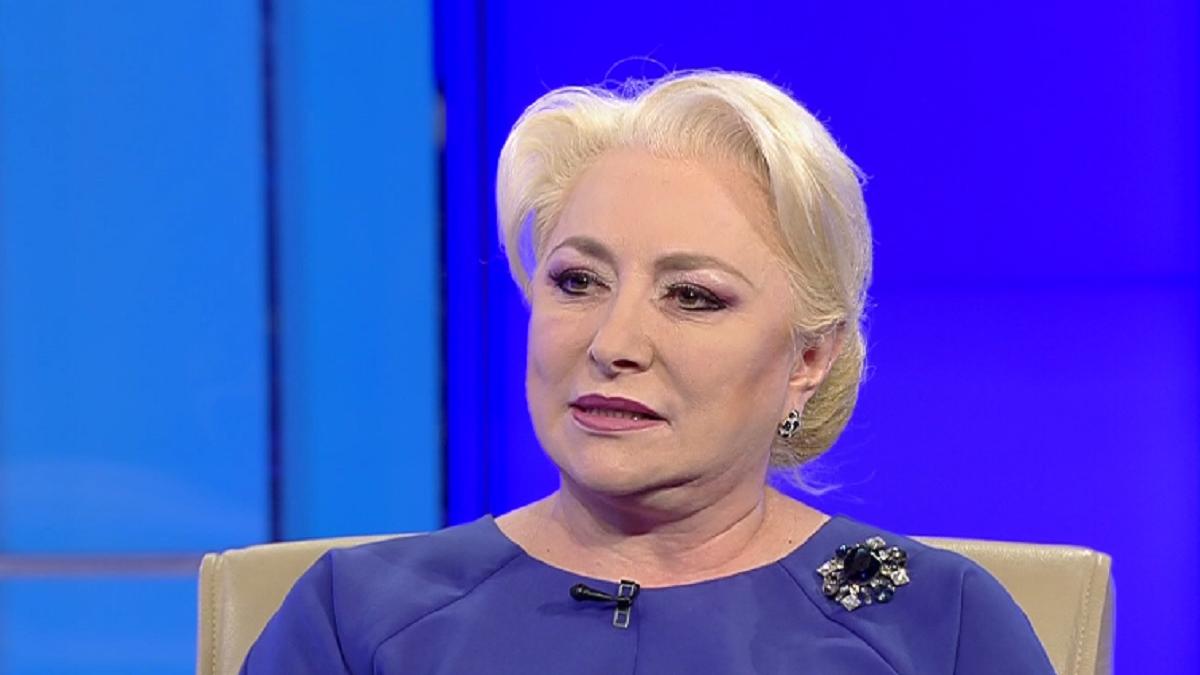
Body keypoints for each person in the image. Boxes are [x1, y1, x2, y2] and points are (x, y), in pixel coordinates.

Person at [240, 70, 1055, 673]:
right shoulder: (357, 616)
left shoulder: (934, 624)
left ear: (808, 358)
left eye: (692, 295)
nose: (613, 341)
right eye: (577, 281)